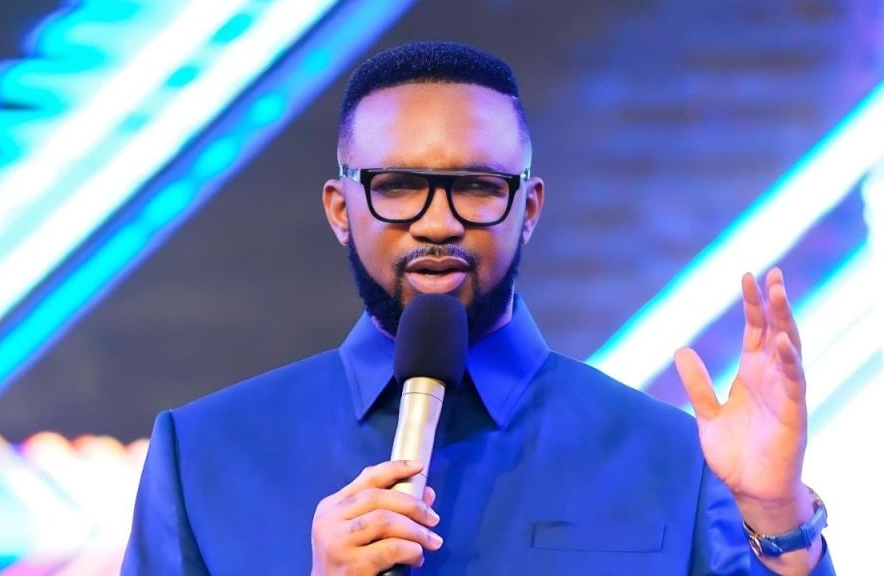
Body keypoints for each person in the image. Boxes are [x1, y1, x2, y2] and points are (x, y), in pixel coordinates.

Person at [123, 41, 835, 575]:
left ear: (528, 208)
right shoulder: (205, 456)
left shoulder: (669, 457)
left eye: (476, 186)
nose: (437, 222)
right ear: (341, 210)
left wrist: (775, 511)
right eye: (398, 186)